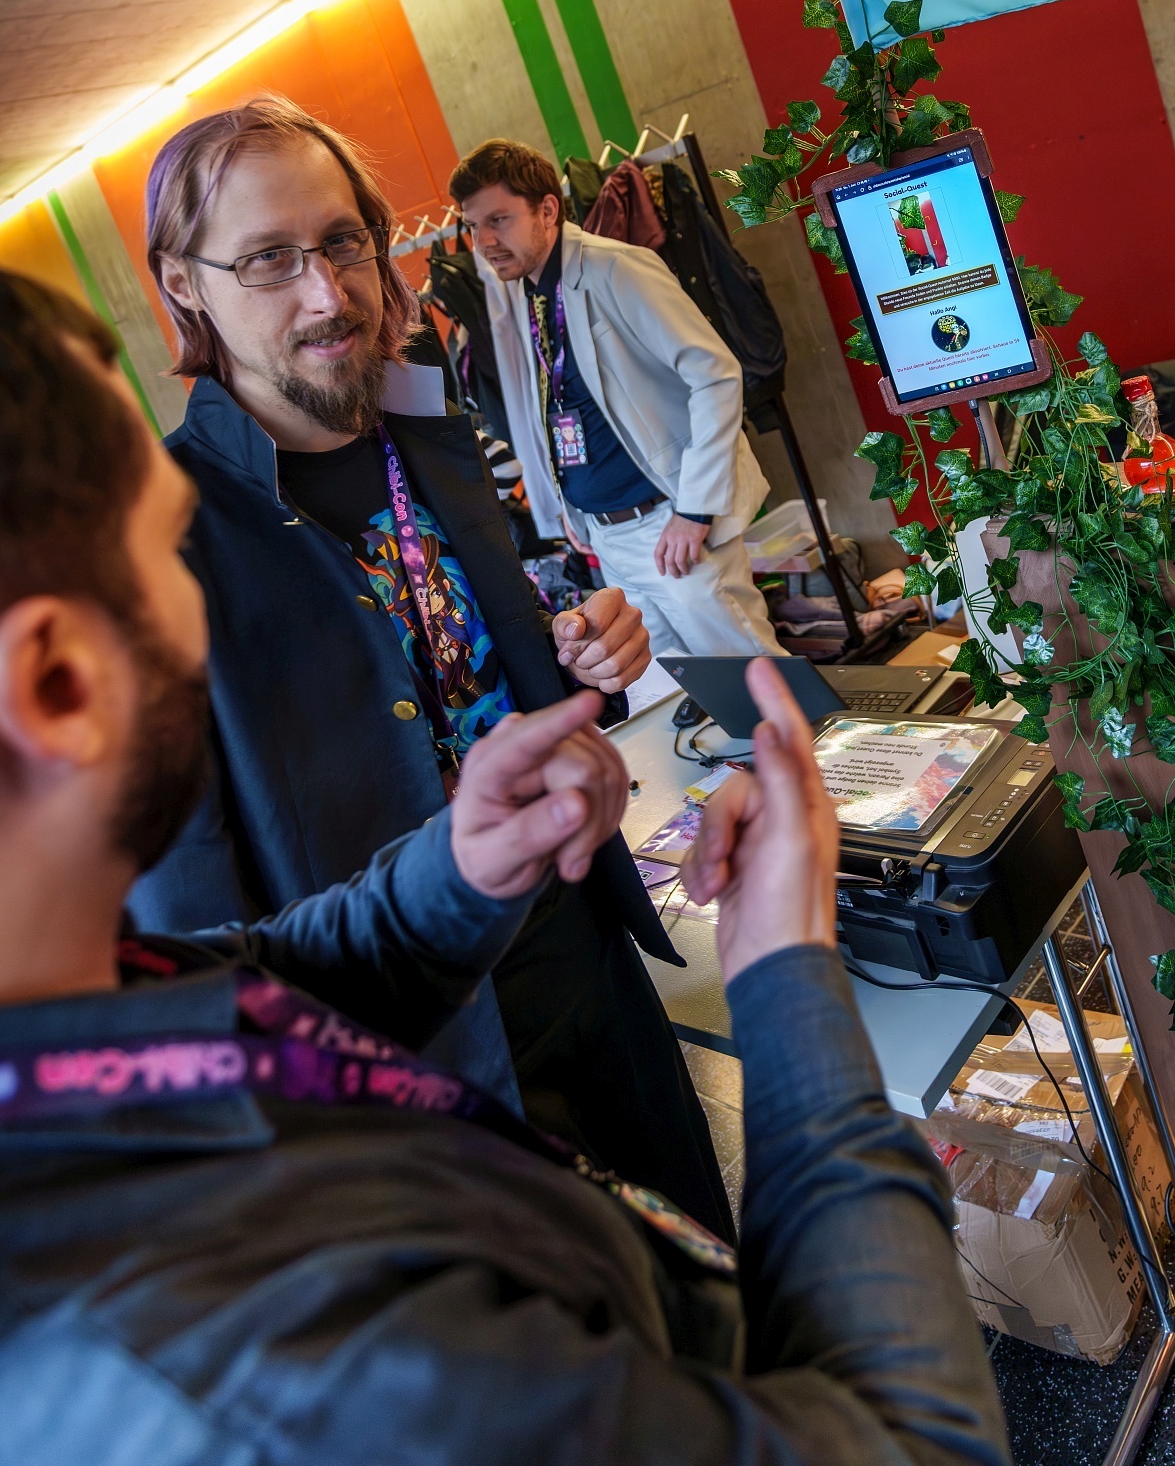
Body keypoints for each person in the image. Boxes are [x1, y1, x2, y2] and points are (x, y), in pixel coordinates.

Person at [0, 271, 1031, 1466]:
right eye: (164, 557)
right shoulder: (294, 1402)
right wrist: (791, 982)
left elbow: (248, 993)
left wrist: (453, 871)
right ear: (57, 682)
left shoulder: (62, 1001)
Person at [135, 93, 731, 1239]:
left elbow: (473, 664)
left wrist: (585, 649)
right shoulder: (158, 546)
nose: (326, 293)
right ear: (183, 282)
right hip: (414, 1068)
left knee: (704, 1282)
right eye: (268, 259)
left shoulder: (430, 439)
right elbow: (187, 931)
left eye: (342, 242)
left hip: (585, 959)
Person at [448, 138, 784, 661]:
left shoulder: (616, 267)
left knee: (756, 678)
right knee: (677, 688)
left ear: (548, 210)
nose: (485, 241)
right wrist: (572, 511)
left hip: (671, 525)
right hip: (607, 537)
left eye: (499, 220)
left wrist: (694, 510)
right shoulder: (523, 291)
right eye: (474, 226)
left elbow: (715, 376)